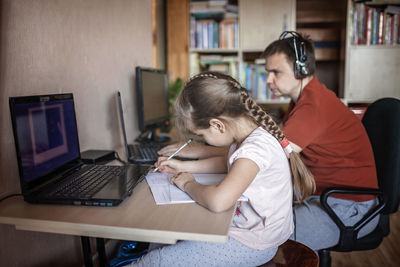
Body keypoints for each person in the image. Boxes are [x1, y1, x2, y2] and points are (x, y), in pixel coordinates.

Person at [159, 31, 380, 252]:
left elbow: (251, 157)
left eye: (276, 72)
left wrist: (195, 153)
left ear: (300, 70)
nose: (268, 80)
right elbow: (244, 154)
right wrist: (191, 158)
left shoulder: (313, 108)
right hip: (320, 195)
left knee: (264, 242)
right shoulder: (303, 101)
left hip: (347, 207)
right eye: (267, 72)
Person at [127, 71, 315, 266]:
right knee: (163, 236)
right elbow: (229, 164)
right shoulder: (250, 136)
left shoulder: (254, 150)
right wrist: (182, 166)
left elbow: (218, 201)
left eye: (201, 135)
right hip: (251, 232)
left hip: (253, 244)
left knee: (156, 260)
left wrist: (188, 184)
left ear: (217, 125)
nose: (203, 140)